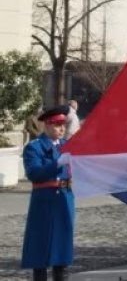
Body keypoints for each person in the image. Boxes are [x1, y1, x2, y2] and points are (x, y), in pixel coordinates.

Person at [21, 105, 74, 281]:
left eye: (63, 124)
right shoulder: (34, 147)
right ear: (46, 125)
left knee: (62, 249)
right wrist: (57, 163)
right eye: (57, 124)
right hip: (44, 202)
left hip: (64, 199)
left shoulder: (66, 146)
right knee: (40, 249)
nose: (61, 128)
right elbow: (34, 173)